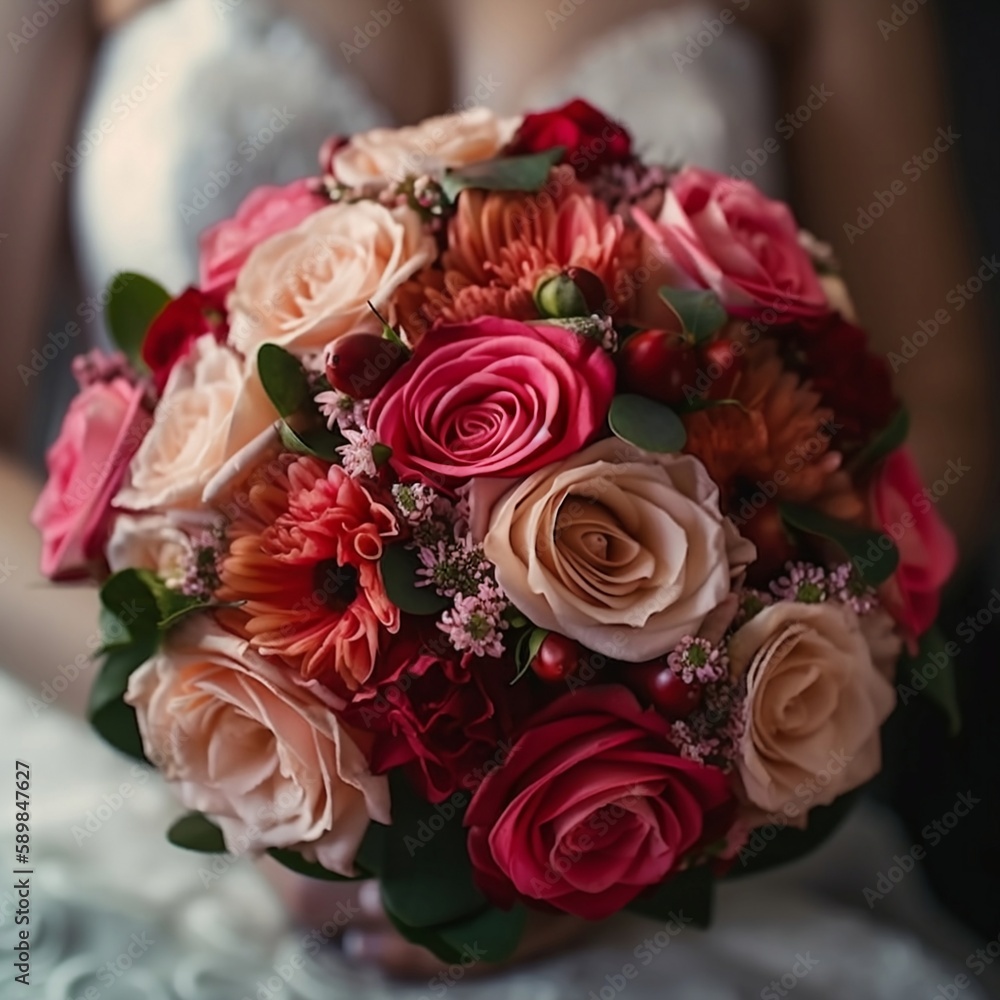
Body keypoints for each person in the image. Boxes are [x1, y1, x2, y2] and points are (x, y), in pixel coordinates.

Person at [0, 0, 995, 988]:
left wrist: (639, 804)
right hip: (146, 815)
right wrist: (229, 743)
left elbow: (943, 423)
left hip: (668, 854)